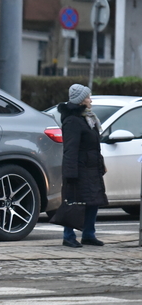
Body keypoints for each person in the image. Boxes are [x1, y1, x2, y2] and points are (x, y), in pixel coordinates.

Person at [56, 84, 108, 248]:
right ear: (80, 101)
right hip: (79, 168)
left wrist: (101, 163)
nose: (90, 100)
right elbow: (70, 149)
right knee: (73, 201)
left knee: (93, 201)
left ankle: (88, 234)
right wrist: (70, 173)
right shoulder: (72, 120)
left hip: (91, 167)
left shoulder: (89, 118)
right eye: (87, 97)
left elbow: (93, 145)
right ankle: (69, 236)